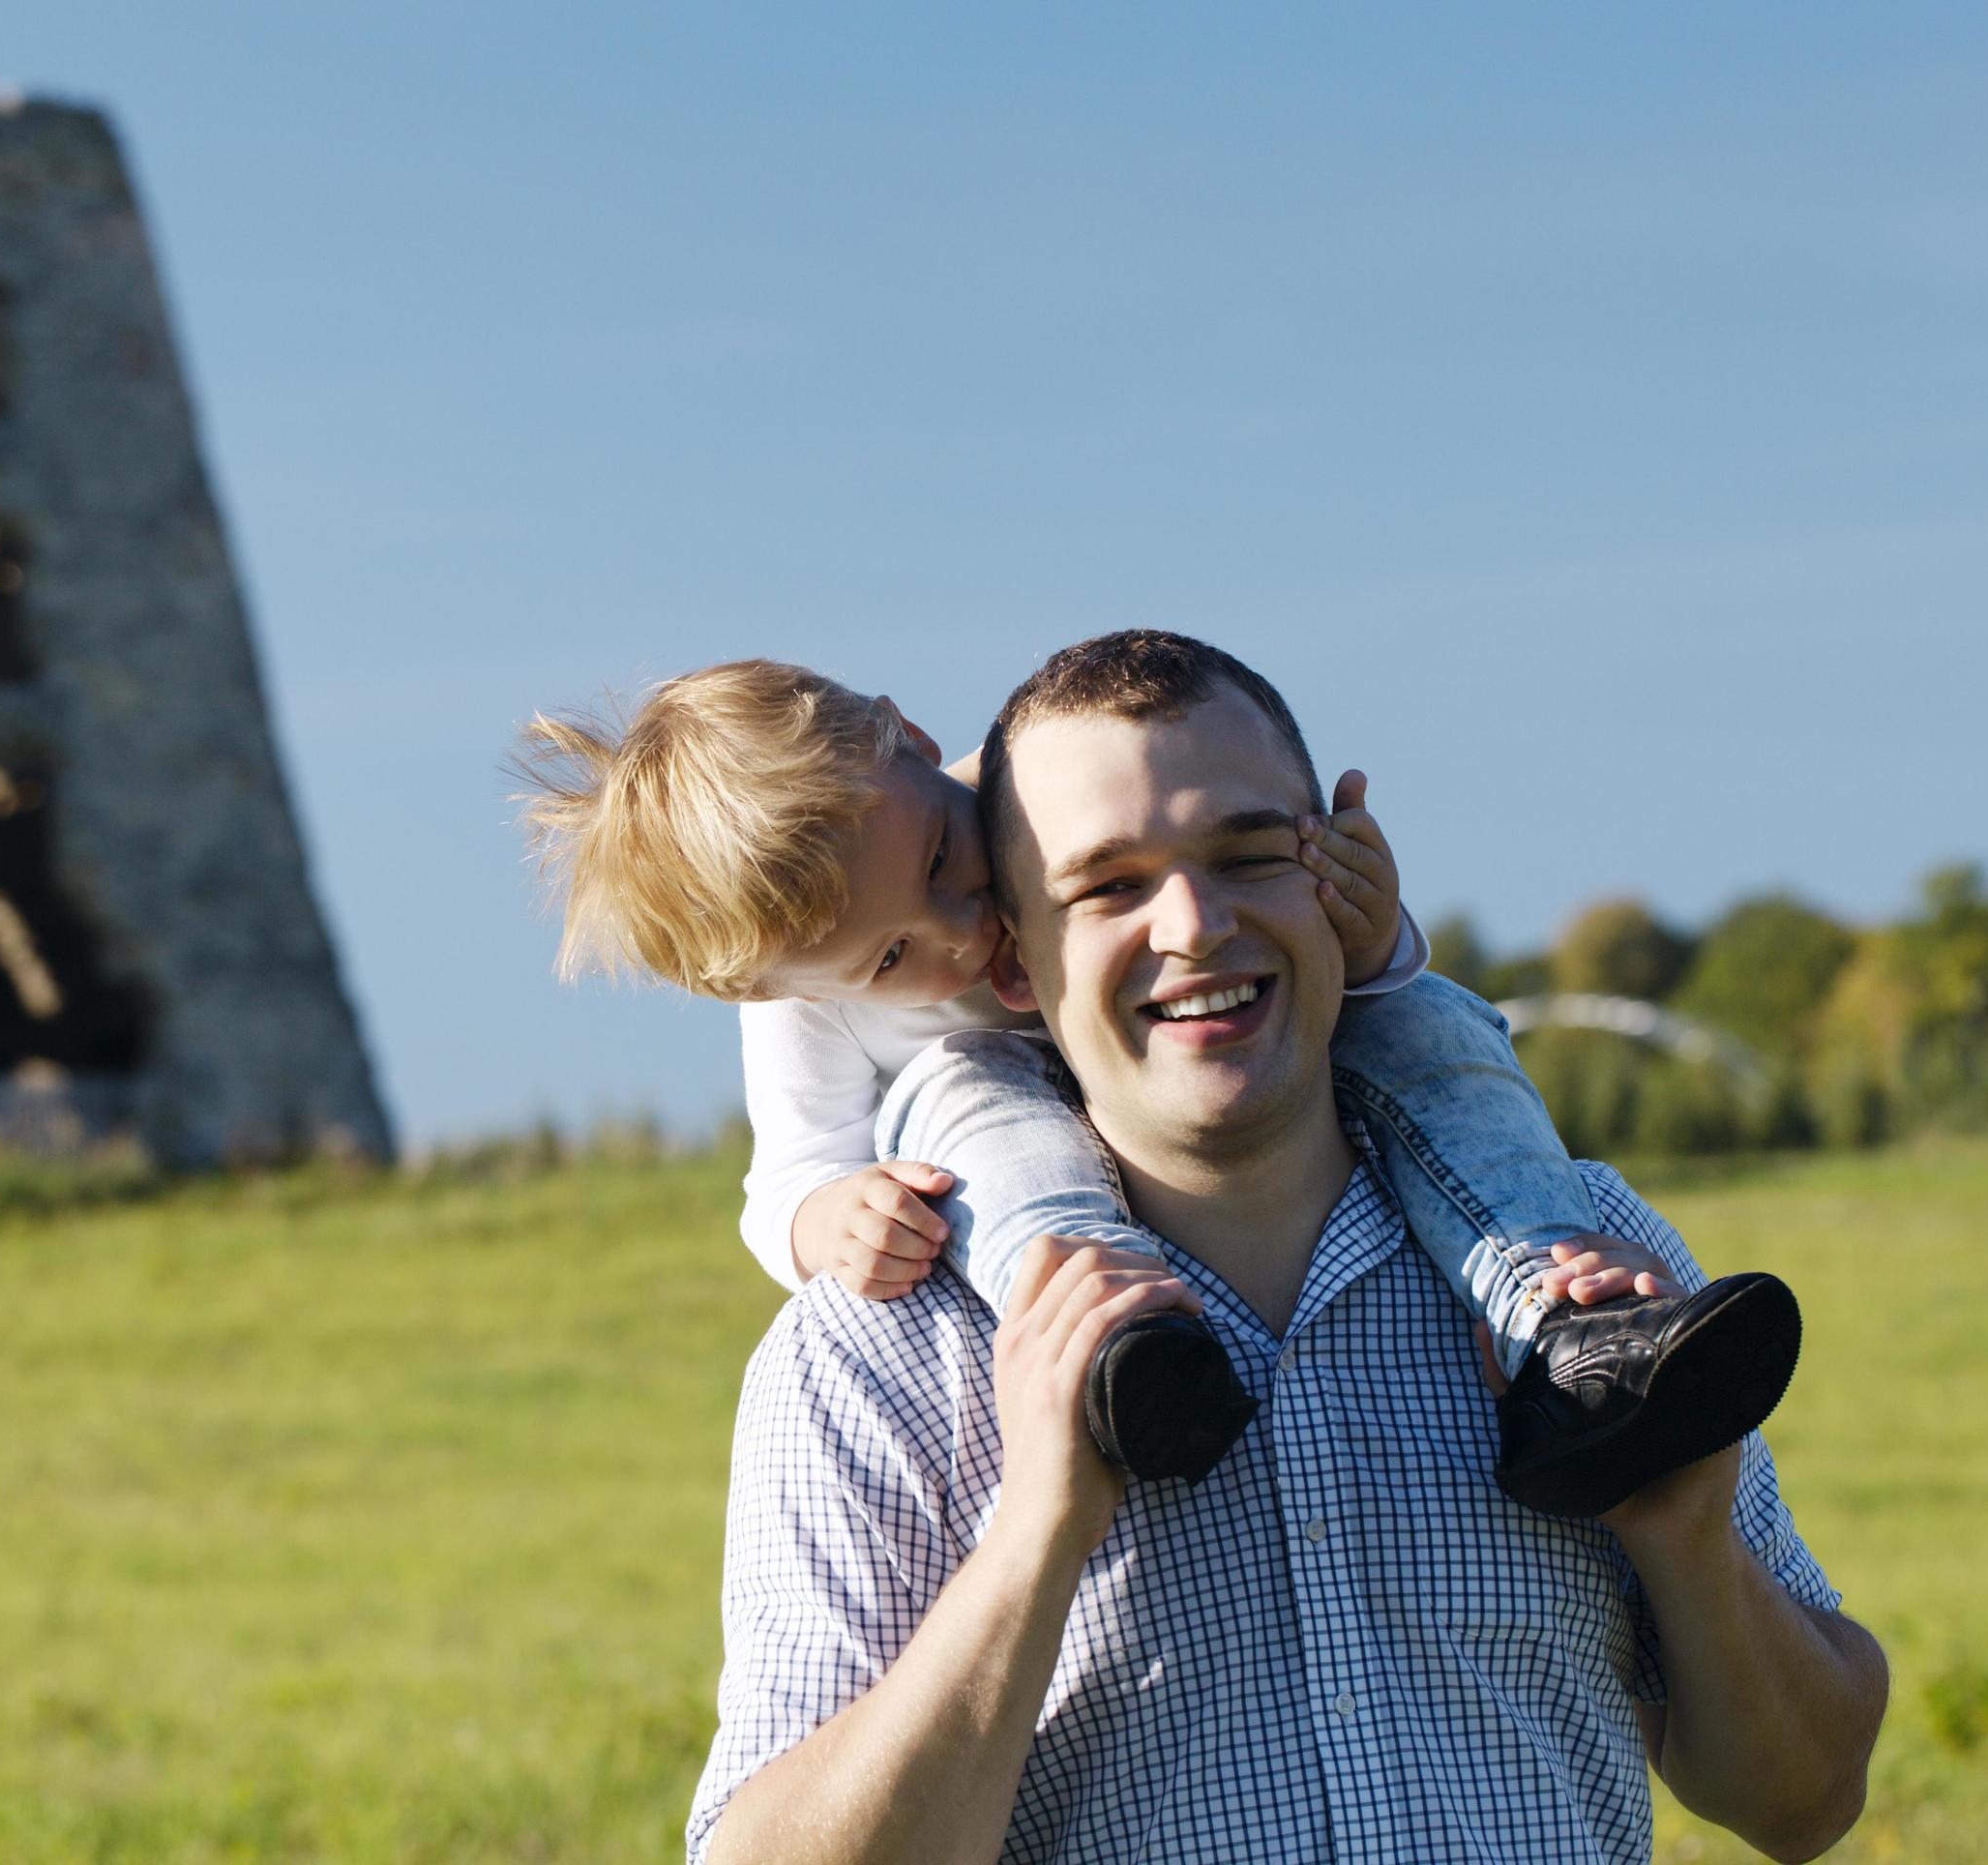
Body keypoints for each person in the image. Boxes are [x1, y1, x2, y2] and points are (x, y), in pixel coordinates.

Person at [684, 630, 1886, 1862]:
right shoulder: (875, 1351)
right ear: (1012, 954)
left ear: (1340, 866)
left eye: (1253, 852)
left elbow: (1805, 1804)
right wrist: (1034, 1537)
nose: (1195, 925)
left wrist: (1688, 1543)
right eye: (1107, 887)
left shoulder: (1591, 1271)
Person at [518, 658, 1796, 1515]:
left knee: (1431, 1035)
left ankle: (1558, 1314)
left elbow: (1231, 911)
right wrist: (823, 1222)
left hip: (1244, 1065)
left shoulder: (1039, 788)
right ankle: (1126, 1359)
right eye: (894, 956)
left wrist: (1366, 935)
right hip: (1028, 1150)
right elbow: (785, 1177)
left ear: (916, 746)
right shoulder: (803, 1005)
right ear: (777, 990)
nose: (968, 931)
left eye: (954, 862)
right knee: (976, 1105)